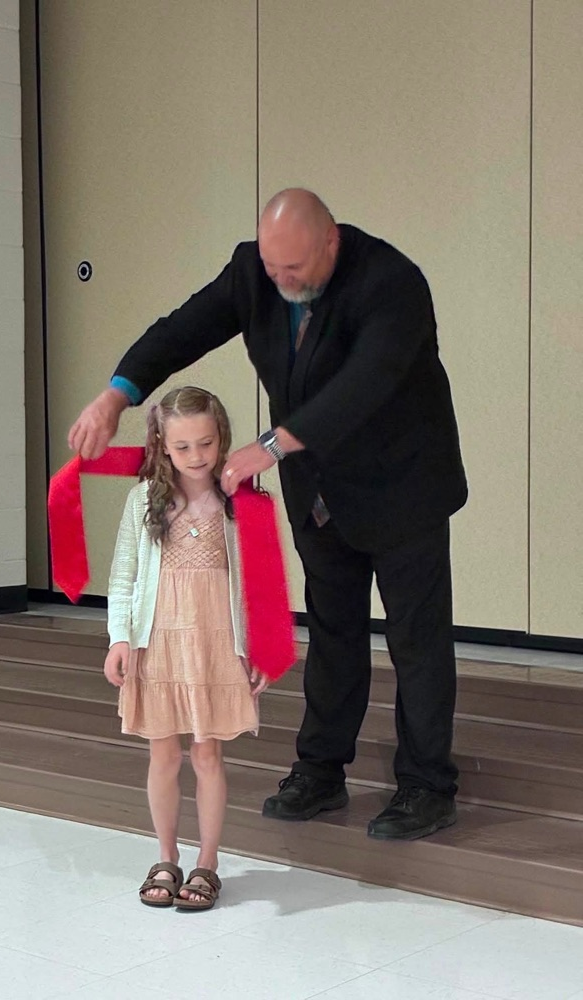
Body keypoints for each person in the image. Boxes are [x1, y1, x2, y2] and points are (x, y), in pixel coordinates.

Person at [70, 188, 468, 841]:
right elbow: (184, 328)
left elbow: (366, 384)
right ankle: (320, 769)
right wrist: (119, 393)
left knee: (415, 639)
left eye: (296, 272)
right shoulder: (254, 271)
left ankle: (426, 785)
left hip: (403, 483)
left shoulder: (391, 282)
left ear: (330, 243)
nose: (282, 283)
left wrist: (270, 446)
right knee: (332, 629)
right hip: (320, 491)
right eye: (273, 270)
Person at [104, 385, 267, 909]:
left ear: (221, 438)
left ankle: (207, 862)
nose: (198, 457)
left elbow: (263, 580)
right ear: (161, 445)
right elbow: (124, 575)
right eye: (183, 447)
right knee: (163, 753)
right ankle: (167, 856)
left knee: (208, 752)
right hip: (160, 643)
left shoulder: (241, 499)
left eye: (207, 443)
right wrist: (120, 638)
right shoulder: (142, 500)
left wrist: (265, 645)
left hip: (217, 641)